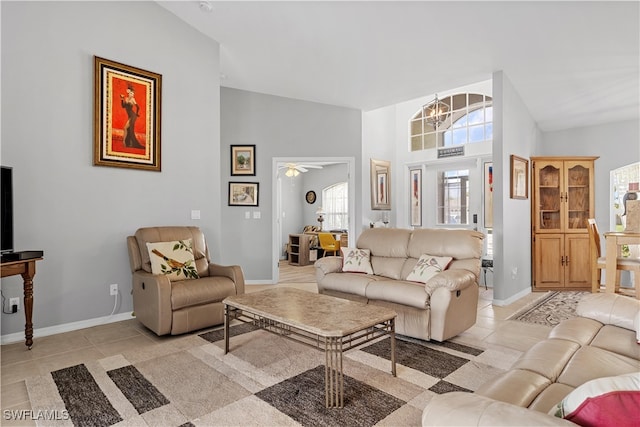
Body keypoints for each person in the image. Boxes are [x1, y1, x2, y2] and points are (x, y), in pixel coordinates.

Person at [120, 83, 144, 149]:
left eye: (133, 94)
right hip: (130, 116)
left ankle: (124, 142)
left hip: (133, 116)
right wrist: (122, 99)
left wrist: (137, 113)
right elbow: (123, 106)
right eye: (131, 93)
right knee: (128, 129)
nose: (132, 95)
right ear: (129, 93)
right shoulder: (126, 99)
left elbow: (138, 107)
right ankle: (129, 143)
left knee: (125, 128)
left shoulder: (133, 99)